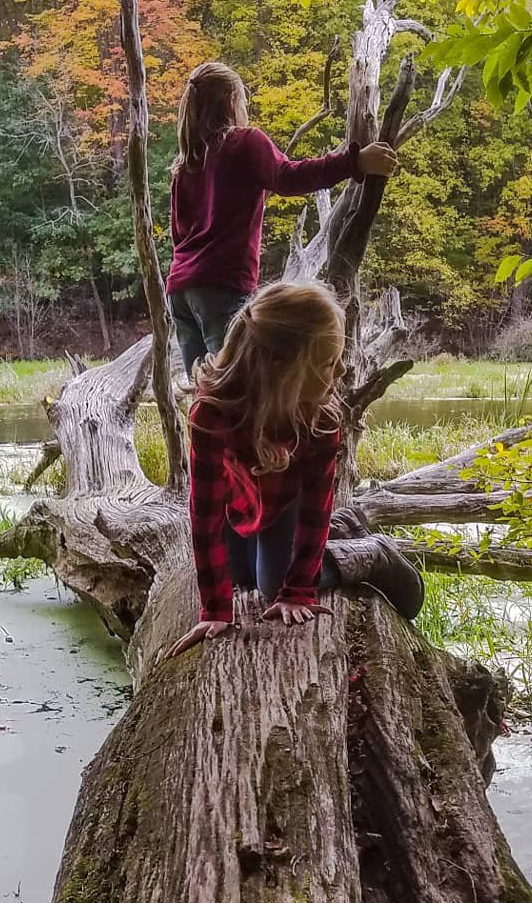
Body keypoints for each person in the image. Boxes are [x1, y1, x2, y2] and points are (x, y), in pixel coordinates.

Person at [167, 282, 425, 658]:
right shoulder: (211, 415)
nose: (341, 370)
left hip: (285, 505)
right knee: (239, 578)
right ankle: (342, 532)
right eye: (326, 362)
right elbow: (203, 513)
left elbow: (315, 508)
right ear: (282, 370)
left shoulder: (320, 419)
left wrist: (298, 589)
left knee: (273, 586)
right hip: (240, 508)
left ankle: (371, 552)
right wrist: (215, 609)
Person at [166, 61, 398, 377]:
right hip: (222, 286)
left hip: (180, 290)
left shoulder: (185, 167)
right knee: (236, 386)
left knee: (202, 388)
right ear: (232, 102)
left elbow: (178, 235)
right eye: (243, 100)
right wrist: (354, 161)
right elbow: (288, 178)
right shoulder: (244, 142)